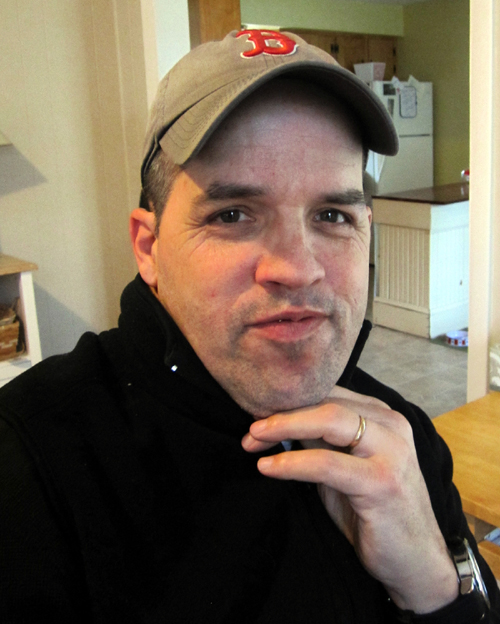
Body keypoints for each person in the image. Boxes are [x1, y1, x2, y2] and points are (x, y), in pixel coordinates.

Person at [0, 29, 498, 624]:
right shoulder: (32, 465)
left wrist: (436, 587)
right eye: (233, 214)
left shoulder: (399, 436)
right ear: (150, 248)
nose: (298, 268)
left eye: (332, 214)